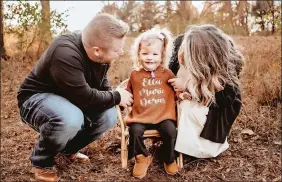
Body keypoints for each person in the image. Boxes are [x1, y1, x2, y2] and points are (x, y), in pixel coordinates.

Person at [17, 13, 133, 182]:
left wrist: (119, 100)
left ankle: (67, 149)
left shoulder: (99, 55)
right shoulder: (65, 52)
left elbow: (102, 87)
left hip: (71, 100)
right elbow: (85, 97)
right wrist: (115, 96)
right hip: (35, 100)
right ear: (97, 50)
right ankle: (41, 161)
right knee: (71, 117)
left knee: (109, 114)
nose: (121, 52)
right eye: (117, 50)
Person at [168, 24, 244, 158]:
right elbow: (167, 73)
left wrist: (187, 86)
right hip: (186, 94)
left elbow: (223, 100)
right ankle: (176, 135)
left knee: (187, 108)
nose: (181, 56)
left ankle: (196, 144)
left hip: (215, 107)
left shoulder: (225, 65)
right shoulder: (180, 43)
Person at [125, 28, 182, 179]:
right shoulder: (135, 74)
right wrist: (122, 96)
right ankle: (142, 157)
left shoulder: (167, 73)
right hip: (141, 117)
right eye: (145, 53)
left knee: (170, 131)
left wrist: (182, 93)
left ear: (162, 55)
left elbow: (176, 91)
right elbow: (128, 92)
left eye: (155, 54)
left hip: (163, 116)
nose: (150, 58)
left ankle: (169, 157)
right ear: (138, 54)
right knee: (135, 131)